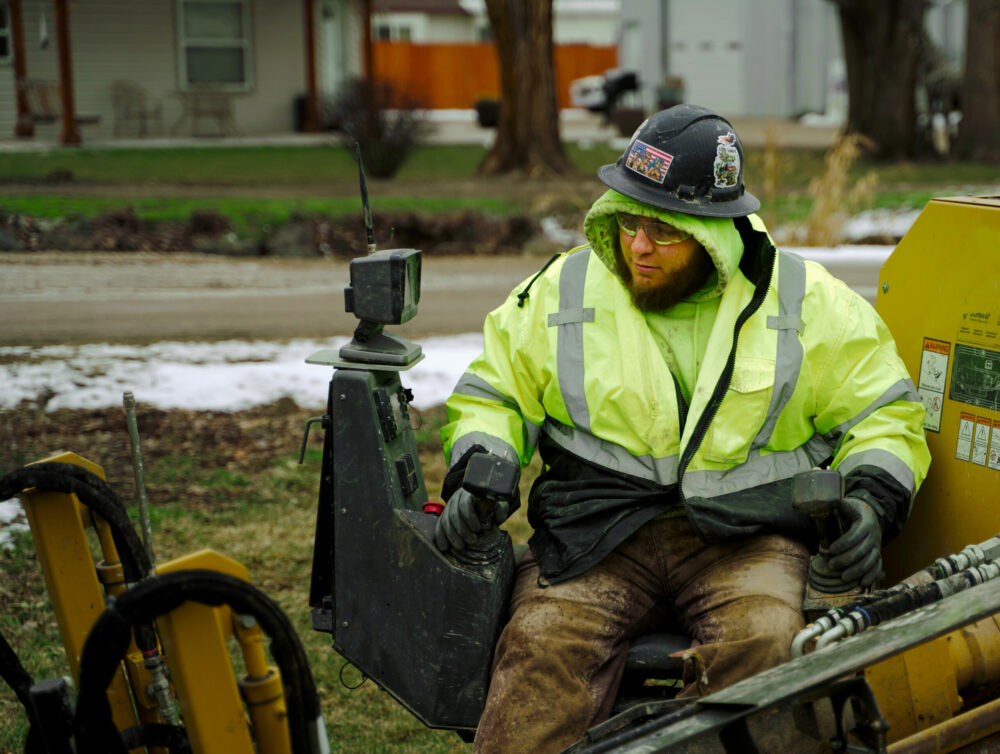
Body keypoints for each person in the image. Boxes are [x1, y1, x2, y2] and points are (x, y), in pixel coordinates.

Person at [434, 104, 930, 753]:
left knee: (769, 648)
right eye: (628, 220)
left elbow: (884, 413)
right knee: (539, 653)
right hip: (595, 537)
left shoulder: (807, 302)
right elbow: (493, 392)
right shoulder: (565, 289)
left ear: (715, 235)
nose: (636, 246)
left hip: (748, 539)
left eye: (662, 232)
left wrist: (872, 503)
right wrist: (481, 468)